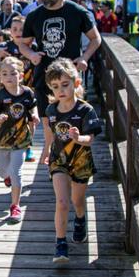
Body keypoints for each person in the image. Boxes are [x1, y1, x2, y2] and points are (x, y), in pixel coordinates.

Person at [17, 0, 101, 133]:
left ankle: (73, 153)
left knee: (73, 117)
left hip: (69, 77)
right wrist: (31, 55)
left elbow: (96, 39)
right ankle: (49, 150)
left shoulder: (78, 12)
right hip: (45, 74)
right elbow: (23, 44)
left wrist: (84, 58)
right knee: (47, 117)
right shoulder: (34, 16)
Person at [40, 59, 103, 264]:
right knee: (62, 201)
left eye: (65, 85)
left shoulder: (85, 110)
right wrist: (46, 152)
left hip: (81, 160)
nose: (61, 90)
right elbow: (50, 135)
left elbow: (91, 139)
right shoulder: (51, 110)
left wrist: (78, 138)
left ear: (76, 84)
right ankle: (60, 244)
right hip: (59, 160)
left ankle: (81, 218)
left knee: (77, 200)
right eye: (55, 87)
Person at [0, 56, 39, 223]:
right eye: (4, 74)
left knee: (16, 173)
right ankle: (6, 177)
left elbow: (33, 107)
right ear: (0, 77)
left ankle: (15, 206)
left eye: (13, 73)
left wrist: (35, 116)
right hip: (2, 141)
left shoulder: (28, 93)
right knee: (3, 172)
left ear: (21, 76)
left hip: (21, 139)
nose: (9, 77)